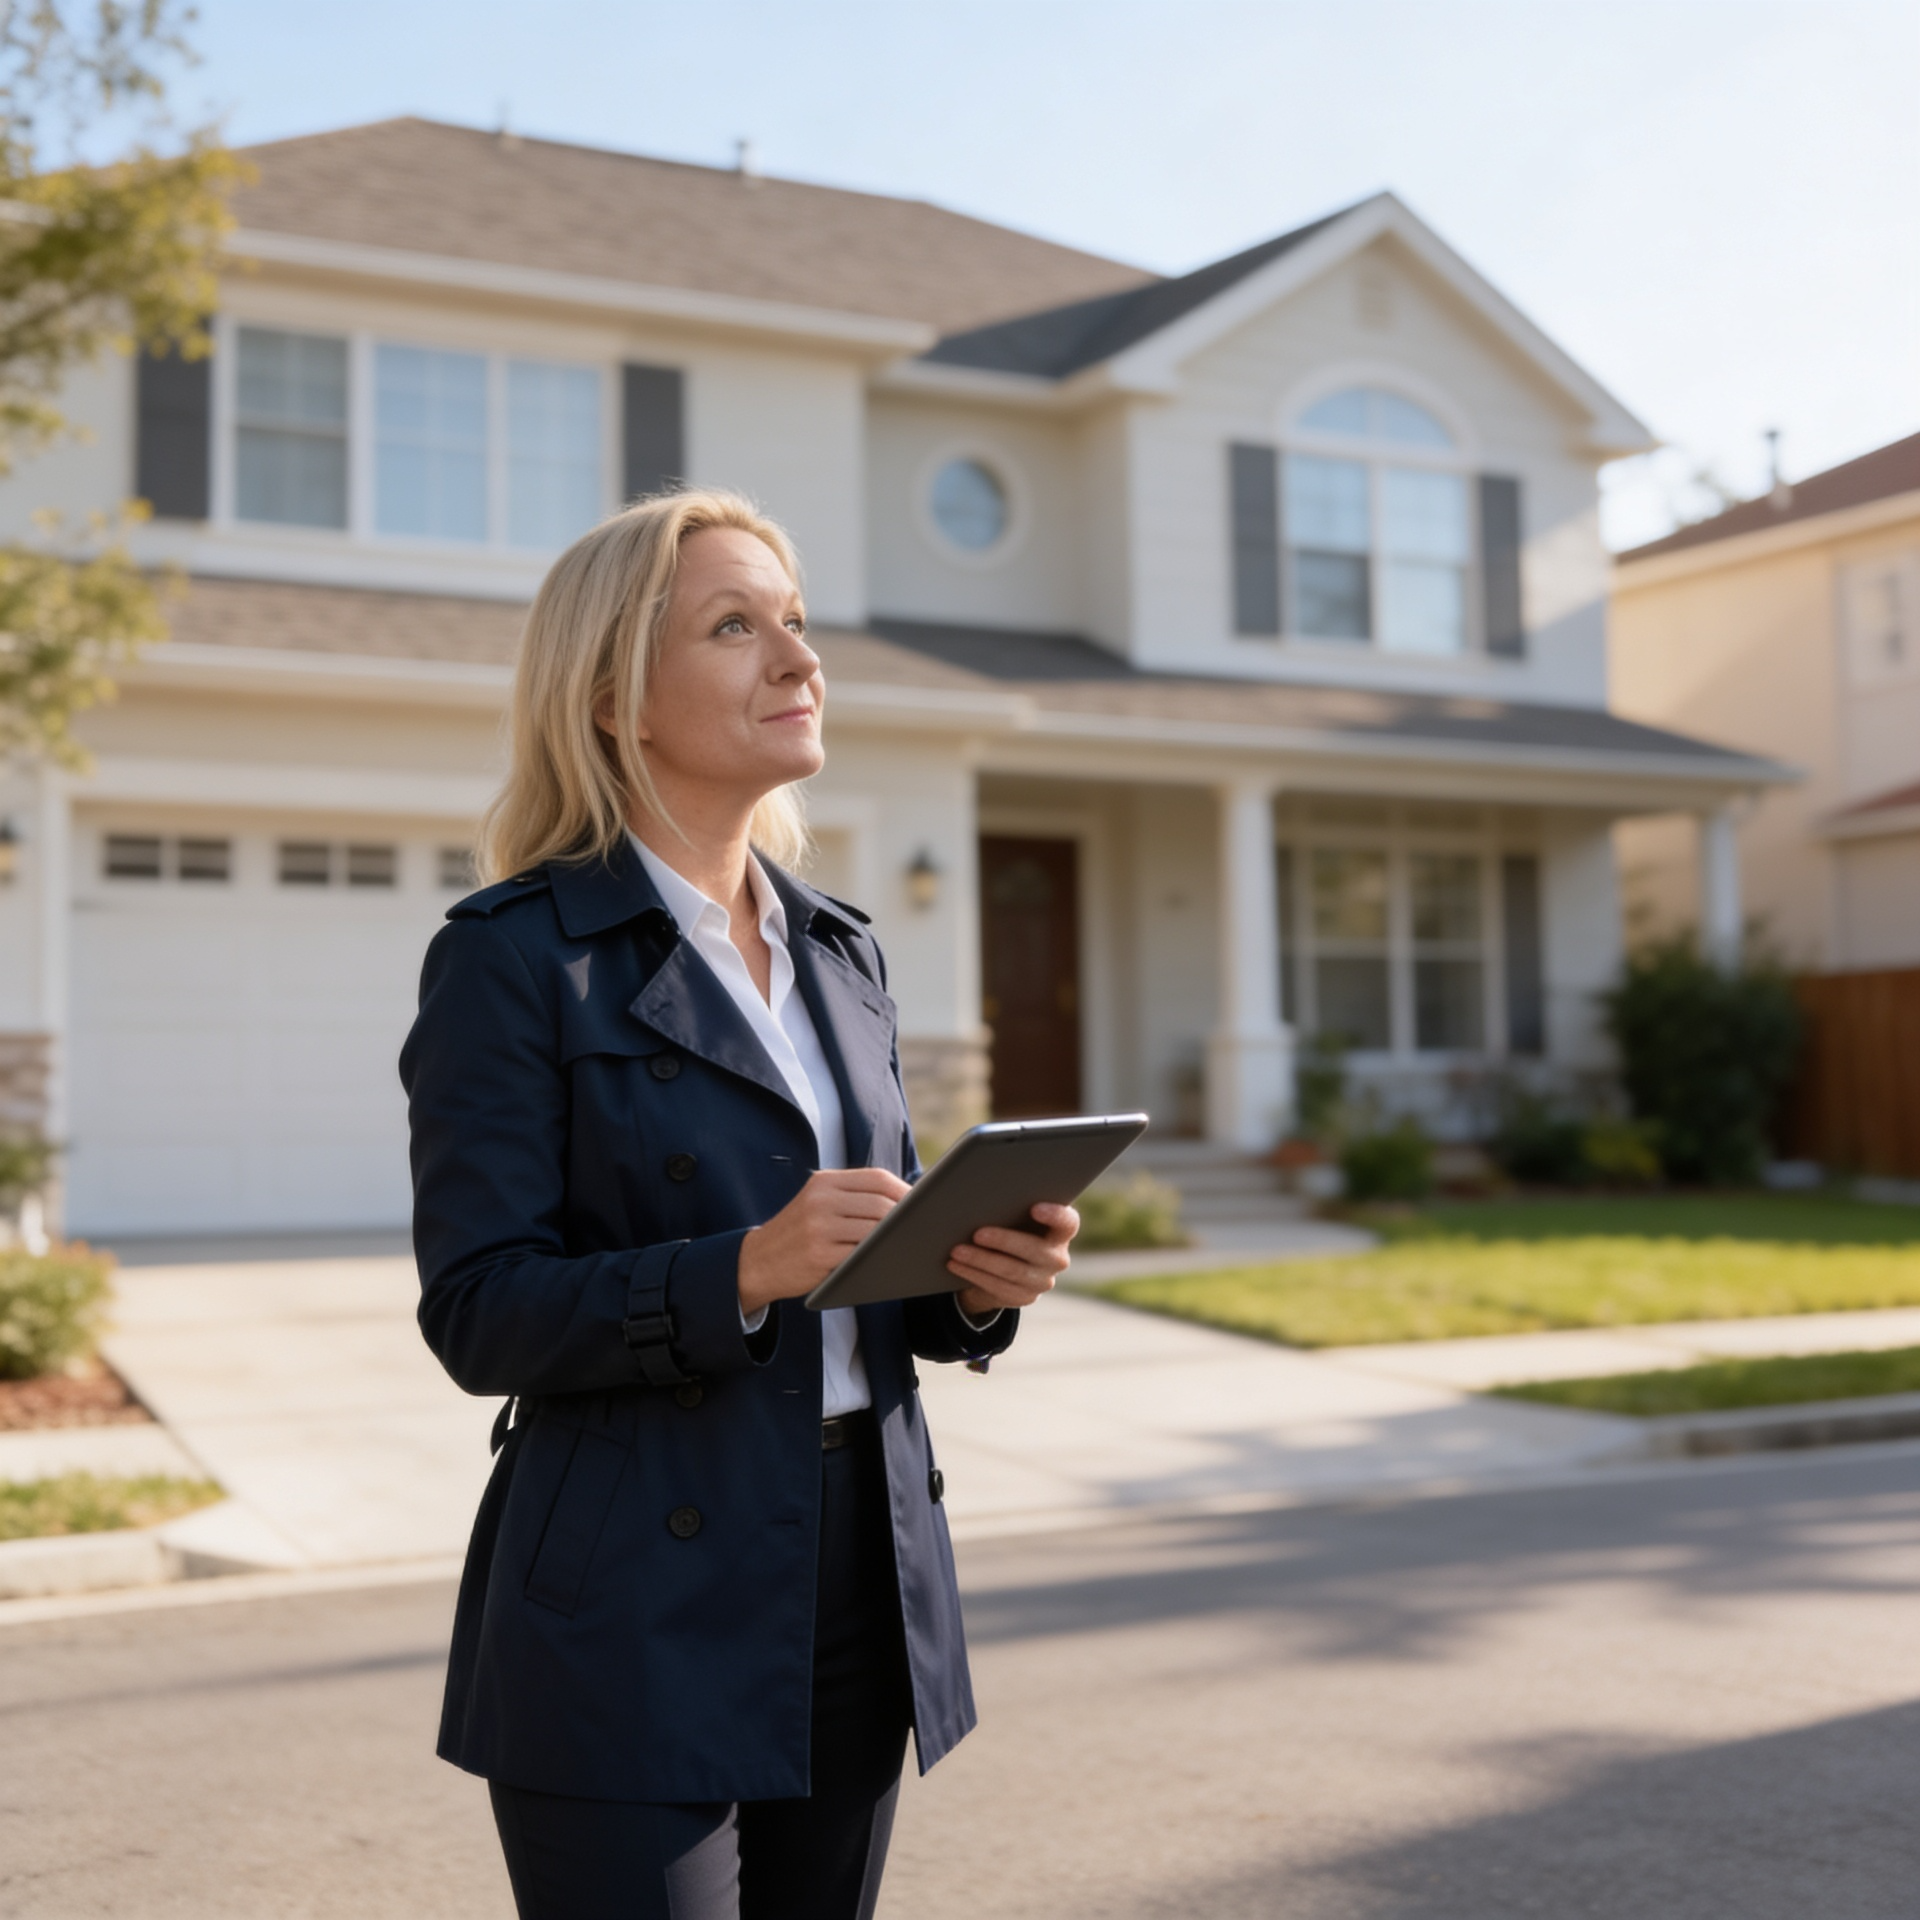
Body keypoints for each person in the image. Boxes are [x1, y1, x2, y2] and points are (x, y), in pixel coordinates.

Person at [399, 488, 1079, 1920]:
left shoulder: (843, 954)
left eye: (798, 622)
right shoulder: (515, 960)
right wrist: (742, 1271)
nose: (797, 658)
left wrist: (968, 1282)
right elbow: (478, 1310)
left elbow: (869, 1277)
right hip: (631, 1599)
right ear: (612, 699)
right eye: (733, 625)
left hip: (859, 1570)